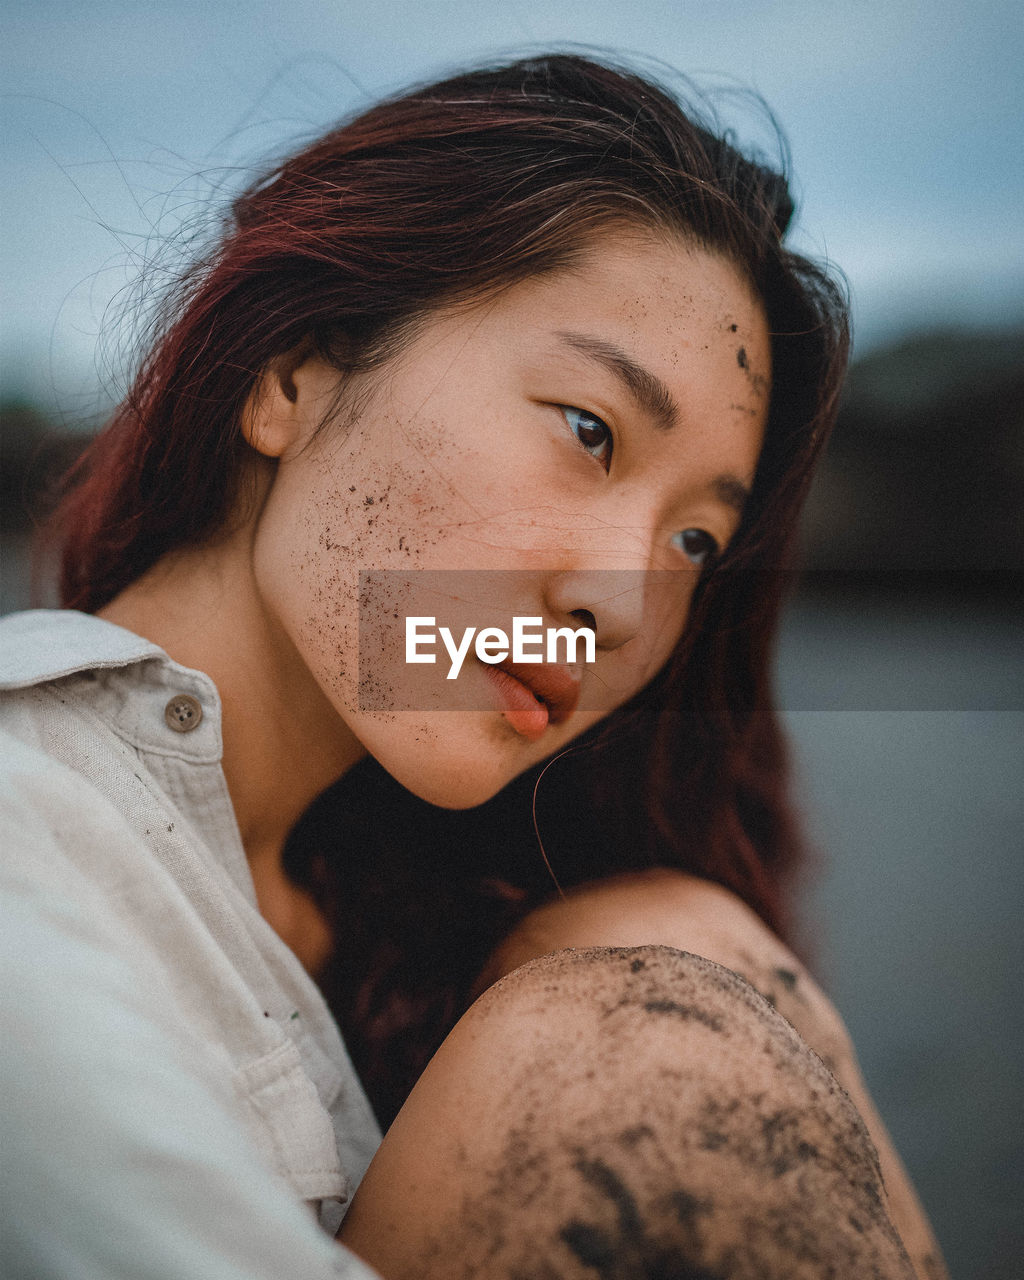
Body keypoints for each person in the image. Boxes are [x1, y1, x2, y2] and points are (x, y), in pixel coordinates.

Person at [0, 54, 948, 1280]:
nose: (622, 602)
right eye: (589, 430)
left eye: (695, 540)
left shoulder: (444, 921)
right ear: (292, 376)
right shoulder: (32, 827)